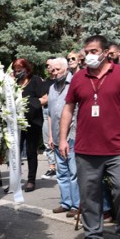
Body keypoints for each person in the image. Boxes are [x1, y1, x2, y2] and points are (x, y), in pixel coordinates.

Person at [59, 35, 120, 239]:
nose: (89, 55)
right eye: (87, 51)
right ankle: (93, 236)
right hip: (86, 149)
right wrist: (62, 139)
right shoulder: (79, 77)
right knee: (89, 196)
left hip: (118, 147)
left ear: (106, 52)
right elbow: (68, 109)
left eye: (94, 51)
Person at [47, 58, 80, 218]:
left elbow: (75, 112)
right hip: (57, 136)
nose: (54, 72)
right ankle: (66, 202)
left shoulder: (74, 83)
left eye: (57, 69)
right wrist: (52, 136)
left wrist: (67, 137)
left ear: (66, 68)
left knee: (73, 172)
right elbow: (50, 114)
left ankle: (76, 204)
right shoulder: (52, 88)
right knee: (61, 172)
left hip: (72, 135)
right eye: (52, 70)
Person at [12, 58, 47, 192]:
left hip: (33, 122)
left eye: (19, 70)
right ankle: (14, 181)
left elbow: (44, 98)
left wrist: (28, 103)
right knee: (15, 152)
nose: (17, 73)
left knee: (31, 152)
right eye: (15, 70)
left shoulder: (35, 80)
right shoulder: (14, 83)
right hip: (17, 123)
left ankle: (31, 180)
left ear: (27, 70)